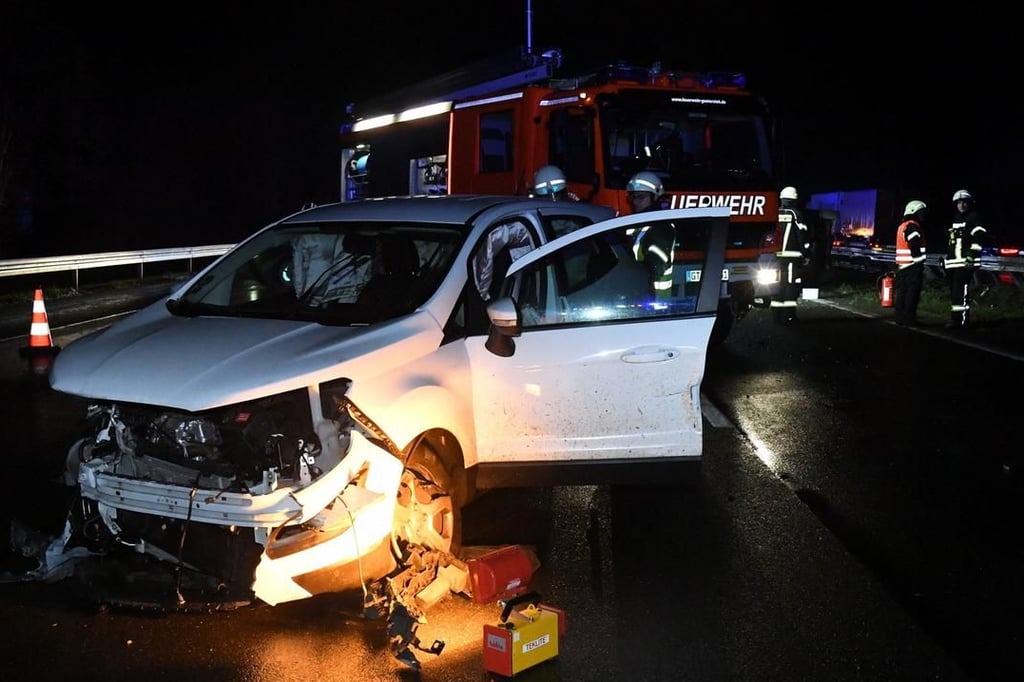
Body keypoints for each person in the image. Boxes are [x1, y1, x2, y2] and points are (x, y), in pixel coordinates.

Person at [625, 171, 675, 301]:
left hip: (656, 302)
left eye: (641, 197)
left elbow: (655, 268)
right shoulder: (637, 224)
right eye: (633, 197)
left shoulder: (660, 228)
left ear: (655, 197)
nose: (635, 202)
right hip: (642, 299)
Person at [945, 189, 988, 328]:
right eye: (959, 203)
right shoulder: (956, 219)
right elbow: (952, 243)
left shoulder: (974, 218)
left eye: (964, 203)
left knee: (961, 291)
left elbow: (979, 238)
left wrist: (971, 255)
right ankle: (955, 320)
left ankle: (962, 322)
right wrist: (946, 259)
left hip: (965, 262)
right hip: (954, 263)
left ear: (969, 203)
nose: (962, 205)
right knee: (955, 293)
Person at [770, 186, 811, 322]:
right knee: (790, 284)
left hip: (774, 256)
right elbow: (802, 235)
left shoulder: (774, 212)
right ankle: (789, 315)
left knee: (776, 283)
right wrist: (807, 253)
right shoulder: (796, 214)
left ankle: (776, 314)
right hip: (791, 257)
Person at [894, 199, 928, 326]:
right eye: (921, 212)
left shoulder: (903, 226)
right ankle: (909, 319)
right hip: (912, 267)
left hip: (903, 266)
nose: (923, 215)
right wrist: (919, 263)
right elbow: (914, 245)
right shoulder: (912, 226)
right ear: (914, 212)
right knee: (911, 294)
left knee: (902, 293)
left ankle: (900, 317)